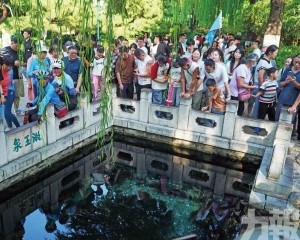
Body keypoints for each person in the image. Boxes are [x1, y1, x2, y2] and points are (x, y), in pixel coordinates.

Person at [251, 45, 278, 118]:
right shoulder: (263, 62)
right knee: (258, 105)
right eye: (275, 53)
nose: (276, 54)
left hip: (263, 85)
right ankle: (255, 124)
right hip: (260, 85)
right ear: (270, 52)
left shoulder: (268, 61)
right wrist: (263, 89)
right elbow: (260, 77)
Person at [276, 54, 300, 121]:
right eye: (296, 62)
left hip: (294, 100)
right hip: (283, 98)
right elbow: (280, 84)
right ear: (293, 61)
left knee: (288, 121)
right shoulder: (288, 69)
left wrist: (294, 82)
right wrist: (286, 82)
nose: (297, 64)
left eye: (299, 63)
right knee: (277, 118)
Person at [0, 56, 20, 131]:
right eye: (7, 65)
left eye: (10, 66)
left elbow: (5, 83)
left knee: (7, 112)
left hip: (10, 92)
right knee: (5, 113)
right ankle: (10, 126)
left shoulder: (10, 71)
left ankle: (18, 126)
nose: (8, 68)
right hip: (3, 94)